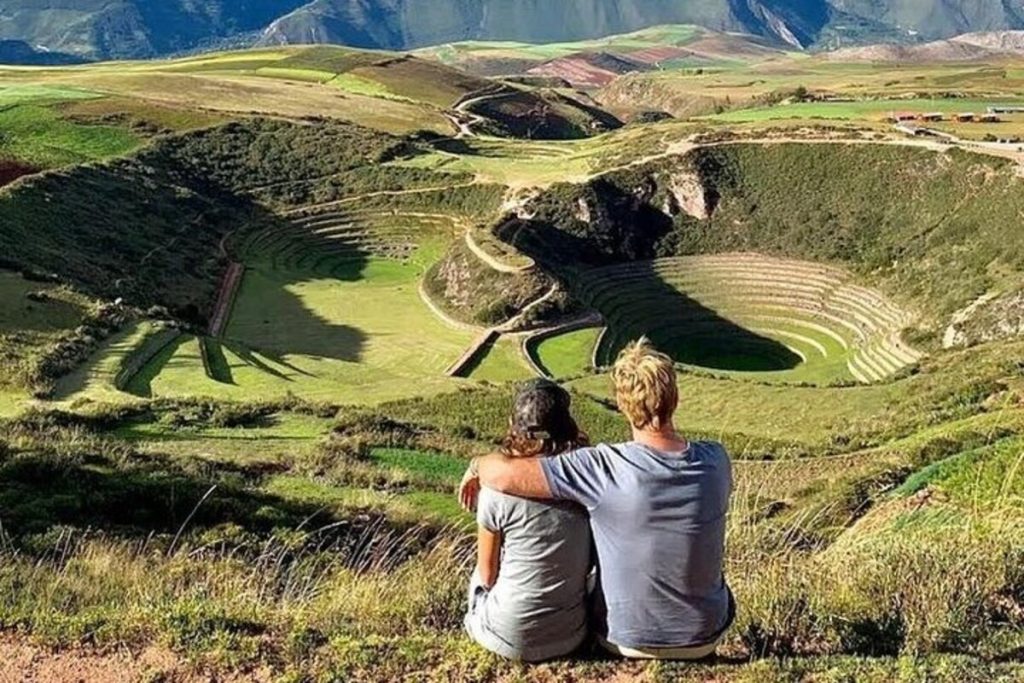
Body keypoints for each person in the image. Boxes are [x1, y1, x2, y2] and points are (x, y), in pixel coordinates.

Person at [460, 338, 734, 659]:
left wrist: (477, 464)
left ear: (622, 404)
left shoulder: (602, 467)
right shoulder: (717, 459)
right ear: (675, 397)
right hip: (705, 637)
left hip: (625, 639)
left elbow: (505, 476)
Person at [462, 378, 592, 662]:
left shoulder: (496, 491)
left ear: (512, 423)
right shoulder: (588, 483)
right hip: (572, 635)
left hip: (506, 637)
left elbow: (487, 575)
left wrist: (477, 466)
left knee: (477, 577)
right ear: (567, 426)